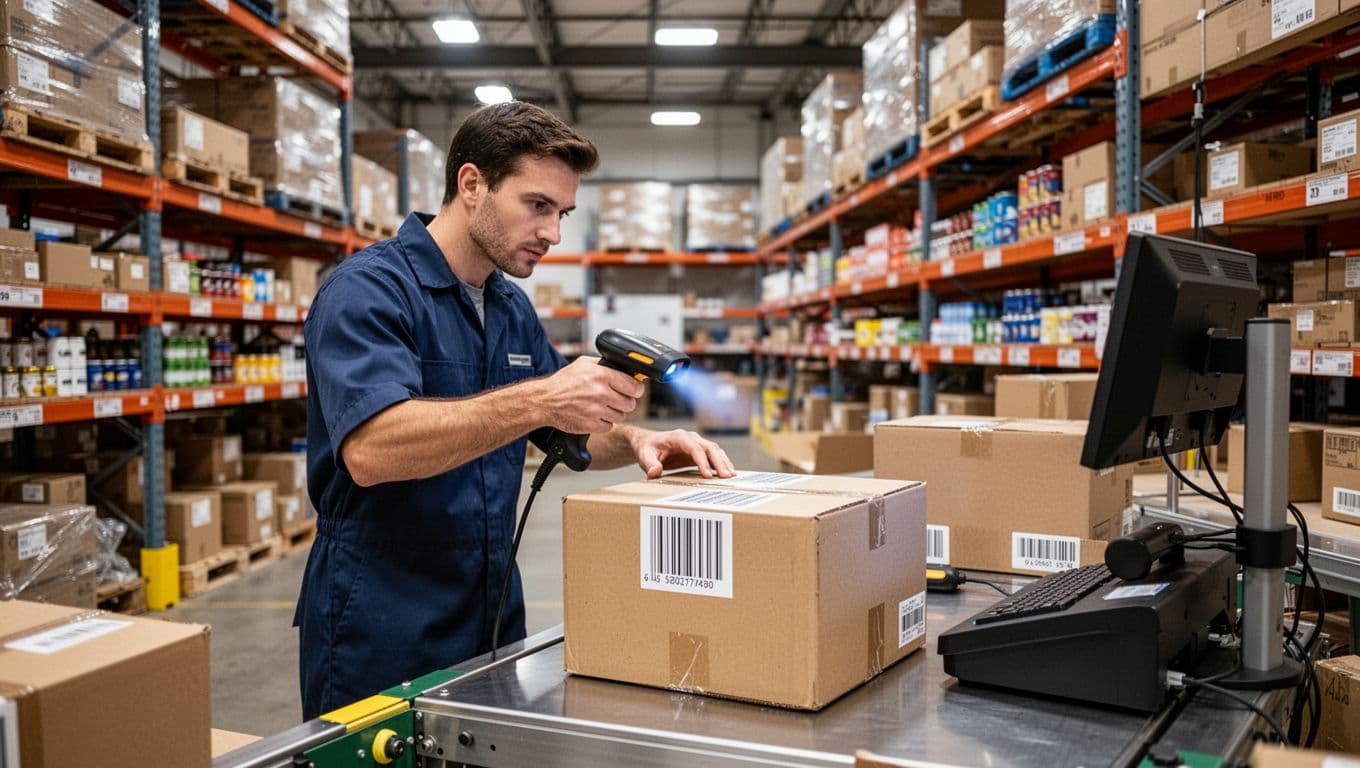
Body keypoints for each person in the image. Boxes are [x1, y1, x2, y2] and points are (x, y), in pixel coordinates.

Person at [295, 101, 737, 718]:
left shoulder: (508, 307)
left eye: (563, 213)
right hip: (382, 622)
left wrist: (636, 440)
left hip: (492, 610)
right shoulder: (368, 291)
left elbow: (558, 424)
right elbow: (372, 449)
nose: (554, 233)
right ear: (471, 184)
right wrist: (541, 397)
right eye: (537, 206)